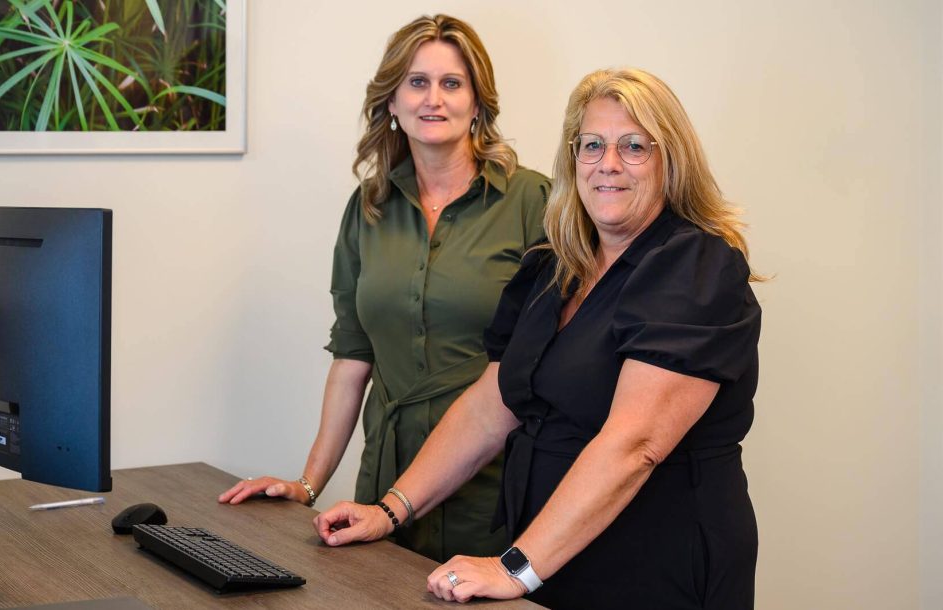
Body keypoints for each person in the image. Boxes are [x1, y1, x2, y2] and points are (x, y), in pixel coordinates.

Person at [313, 67, 763, 610]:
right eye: (592, 145)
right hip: (556, 554)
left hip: (657, 558)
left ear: (672, 160)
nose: (609, 164)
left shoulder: (697, 265)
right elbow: (489, 406)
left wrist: (515, 568)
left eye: (635, 146)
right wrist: (390, 510)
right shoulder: (556, 264)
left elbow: (635, 444)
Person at [218, 14, 549, 563]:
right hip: (385, 484)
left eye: (451, 83)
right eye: (416, 82)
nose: (433, 99)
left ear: (478, 103)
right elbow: (353, 356)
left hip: (501, 484)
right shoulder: (368, 207)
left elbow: (552, 360)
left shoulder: (533, 202)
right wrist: (308, 484)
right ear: (391, 103)